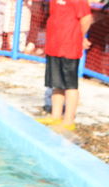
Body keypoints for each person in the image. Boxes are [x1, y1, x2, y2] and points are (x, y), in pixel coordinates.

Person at [35, 0, 92, 132]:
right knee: (56, 83)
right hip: (54, 46)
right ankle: (56, 116)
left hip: (69, 47)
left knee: (70, 85)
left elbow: (86, 18)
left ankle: (68, 120)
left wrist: (79, 36)